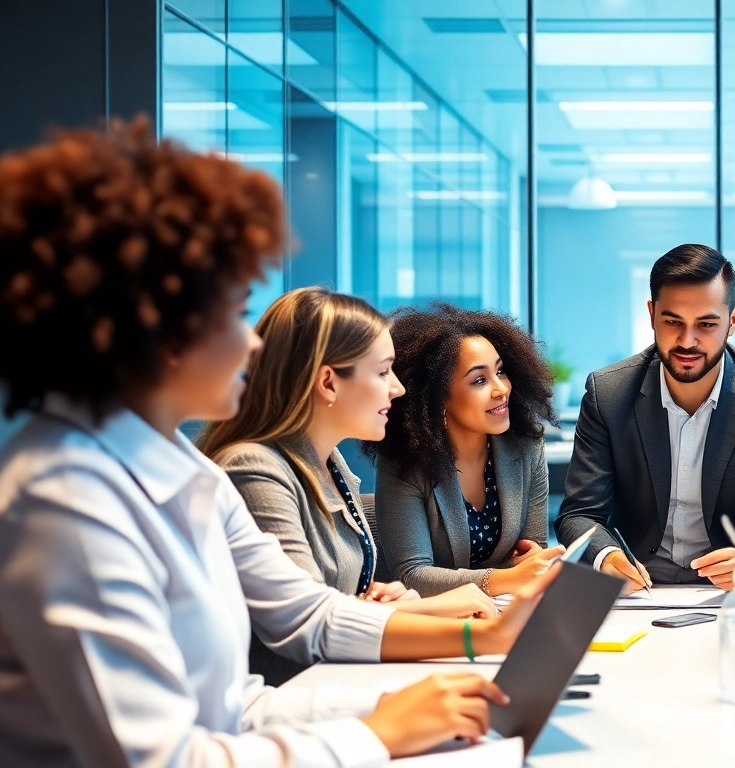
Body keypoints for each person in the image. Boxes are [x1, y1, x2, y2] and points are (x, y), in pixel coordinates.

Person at [0, 121, 558, 767]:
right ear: (159, 328)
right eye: (238, 312)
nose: (254, 343)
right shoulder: (67, 503)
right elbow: (162, 760)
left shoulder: (176, 466)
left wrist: (467, 650)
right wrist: (378, 734)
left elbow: (280, 648)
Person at [198, 287, 498, 684]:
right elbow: (306, 621)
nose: (398, 388)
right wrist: (465, 627)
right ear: (328, 383)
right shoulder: (255, 468)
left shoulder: (330, 464)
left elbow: (329, 601)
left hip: (336, 680)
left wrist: (373, 600)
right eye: (382, 371)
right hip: (288, 696)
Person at [555, 244, 735, 594]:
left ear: (733, 322)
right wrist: (606, 556)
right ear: (652, 314)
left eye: (706, 324)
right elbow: (578, 514)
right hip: (637, 590)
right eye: (673, 321)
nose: (687, 341)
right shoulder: (608, 393)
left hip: (733, 595)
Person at [374, 304, 564, 597]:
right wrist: (504, 578)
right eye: (479, 380)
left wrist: (521, 569)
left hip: (501, 614)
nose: (501, 388)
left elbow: (531, 554)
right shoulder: (405, 463)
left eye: (501, 371)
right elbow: (413, 575)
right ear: (436, 399)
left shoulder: (526, 447)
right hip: (428, 624)